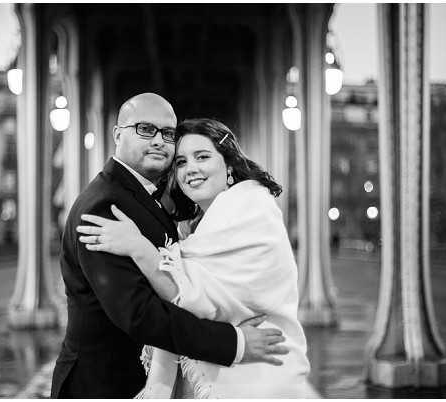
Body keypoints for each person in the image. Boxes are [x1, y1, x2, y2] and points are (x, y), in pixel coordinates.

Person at [51, 94, 289, 398]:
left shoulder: (143, 196)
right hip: (104, 382)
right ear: (117, 135)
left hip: (144, 378)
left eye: (167, 133)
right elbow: (140, 314)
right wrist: (235, 343)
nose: (160, 141)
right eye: (145, 129)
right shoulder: (104, 206)